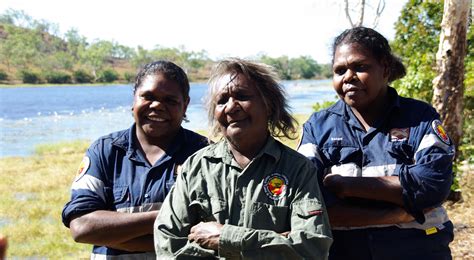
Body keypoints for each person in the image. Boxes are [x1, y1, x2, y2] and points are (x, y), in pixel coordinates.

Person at [297, 26, 455, 259]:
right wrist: (398, 214)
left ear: (385, 68)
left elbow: (431, 187)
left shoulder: (420, 118)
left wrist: (344, 185)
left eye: (360, 67)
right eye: (340, 70)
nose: (348, 77)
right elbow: (307, 204)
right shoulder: (318, 127)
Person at [154, 58, 333, 259]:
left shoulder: (298, 170)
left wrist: (225, 237)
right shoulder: (195, 168)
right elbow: (168, 244)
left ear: (269, 104)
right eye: (222, 101)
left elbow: (312, 247)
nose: (231, 107)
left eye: (242, 96)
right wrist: (275, 241)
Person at [61, 60, 208, 258]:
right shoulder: (105, 151)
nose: (157, 105)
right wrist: (166, 219)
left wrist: (112, 236)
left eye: (170, 100)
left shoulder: (204, 154)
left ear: (185, 105)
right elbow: (81, 227)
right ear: (134, 99)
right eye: (148, 96)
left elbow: (207, 234)